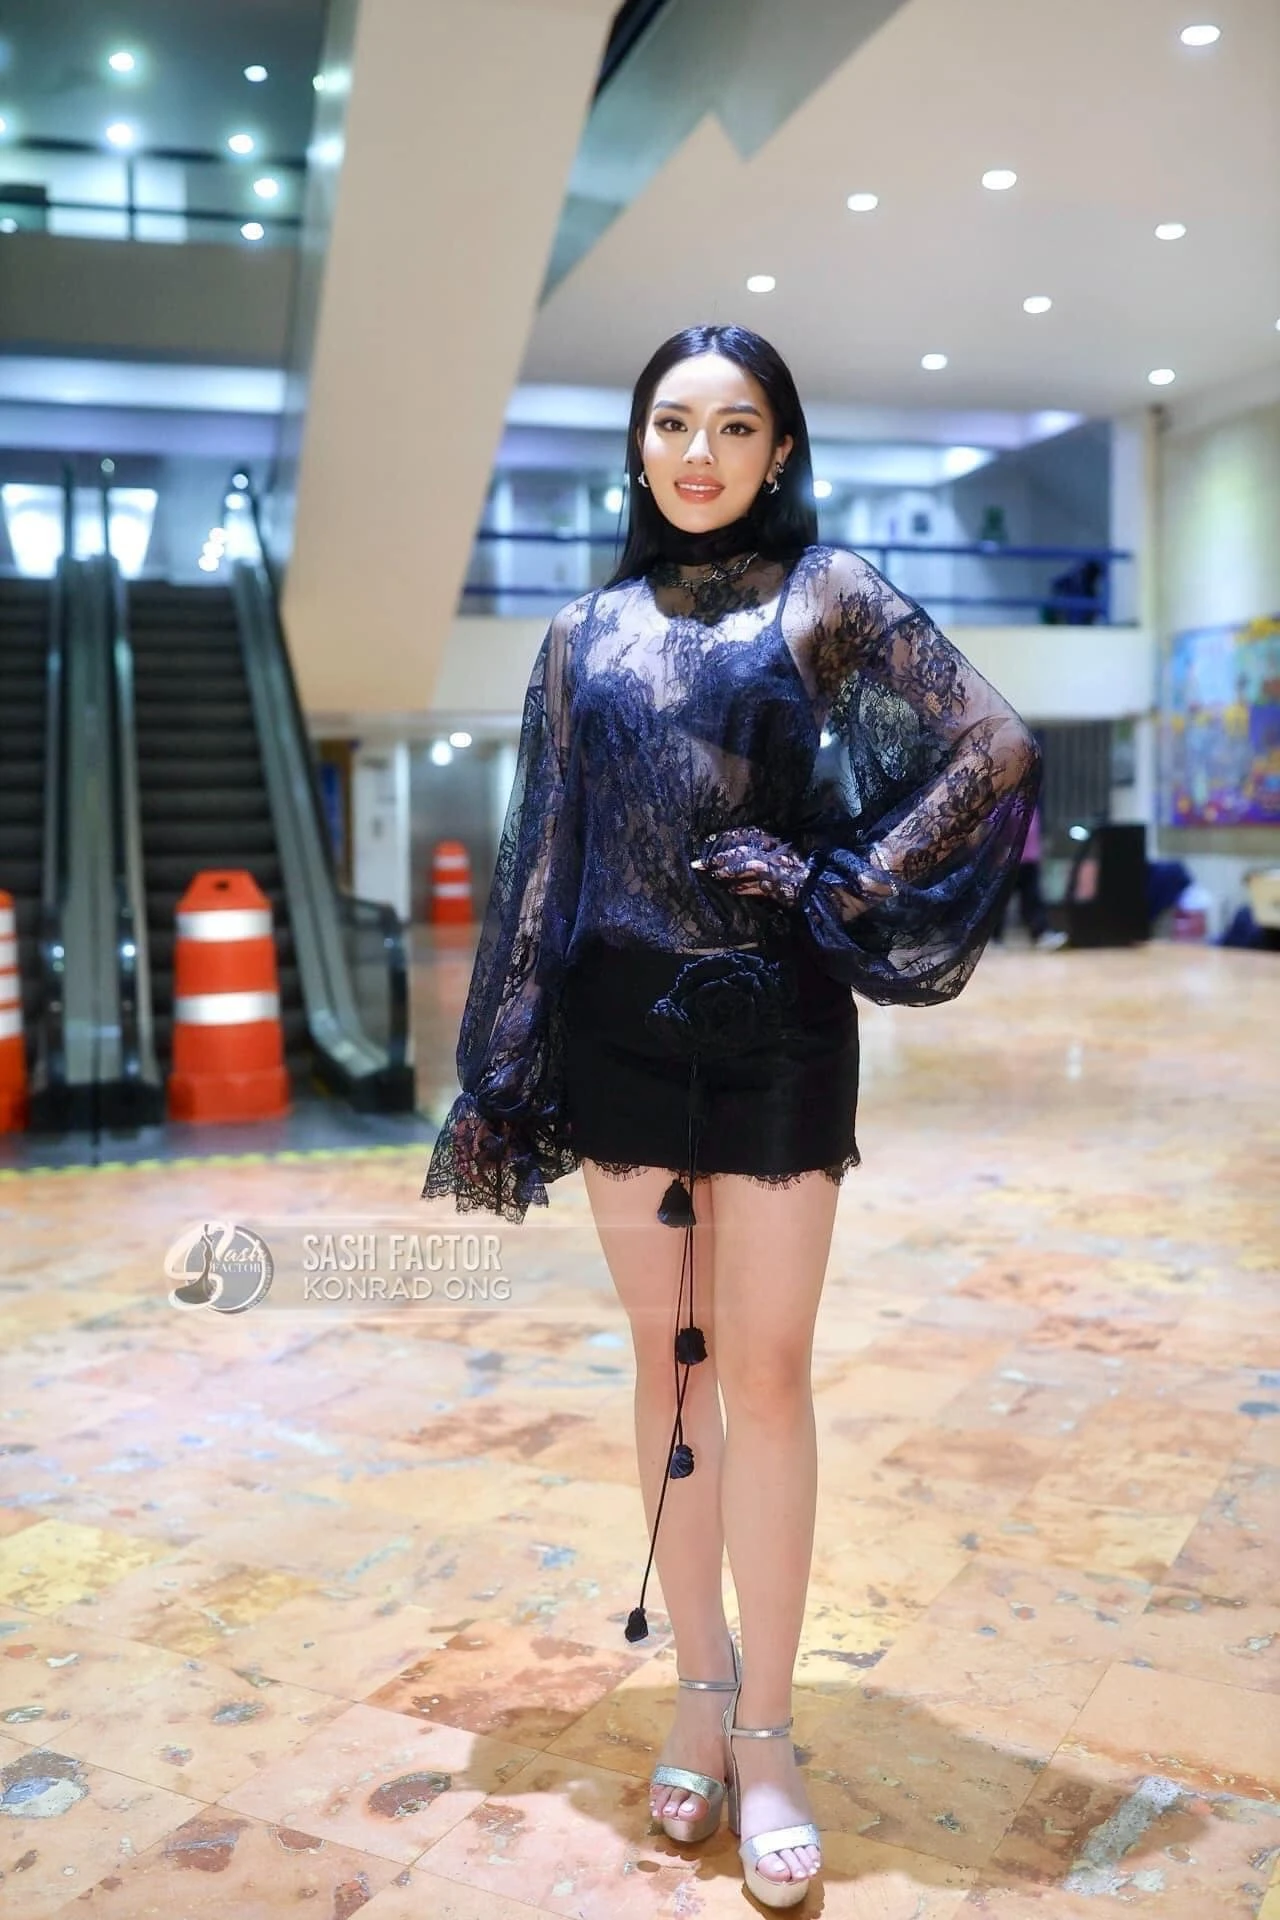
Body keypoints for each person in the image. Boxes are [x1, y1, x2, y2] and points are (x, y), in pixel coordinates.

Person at [422, 324, 1041, 1907]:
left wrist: (846, 875)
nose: (701, 453)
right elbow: (546, 857)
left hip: (777, 1031)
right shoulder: (581, 633)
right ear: (639, 450)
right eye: (674, 424)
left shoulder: (827, 594)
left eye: (737, 425)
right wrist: (504, 1067)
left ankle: (769, 1731)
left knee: (763, 1374)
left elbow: (994, 748)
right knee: (672, 1365)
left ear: (780, 450)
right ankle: (696, 1695)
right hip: (620, 1033)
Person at [991, 802, 1067, 949]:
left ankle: (1040, 934)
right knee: (999, 901)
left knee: (1032, 898)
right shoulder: (1006, 799)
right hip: (1008, 858)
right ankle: (992, 938)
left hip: (1030, 857)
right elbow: (997, 825)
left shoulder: (1034, 800)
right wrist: (999, 850)